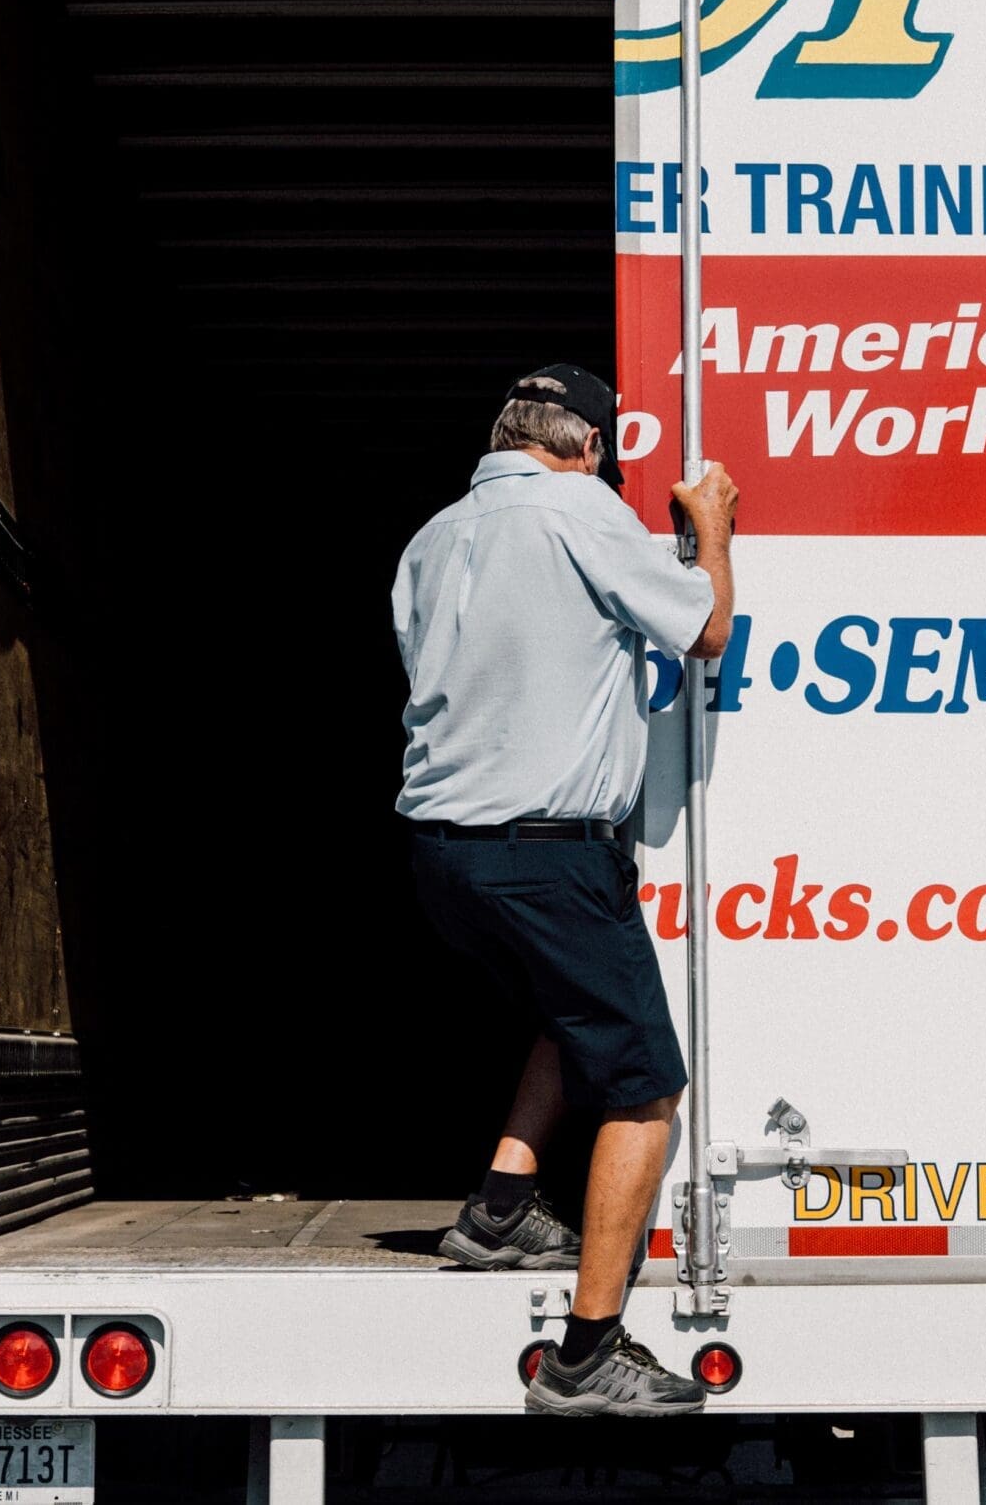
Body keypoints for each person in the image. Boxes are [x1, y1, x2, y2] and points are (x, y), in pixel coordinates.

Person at [392, 365, 738, 1416]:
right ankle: (588, 1351)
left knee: (570, 1005)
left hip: (440, 850)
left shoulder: (432, 536)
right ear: (585, 444)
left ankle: (499, 1206)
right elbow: (705, 628)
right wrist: (708, 526)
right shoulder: (580, 512)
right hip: (545, 851)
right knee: (643, 1088)